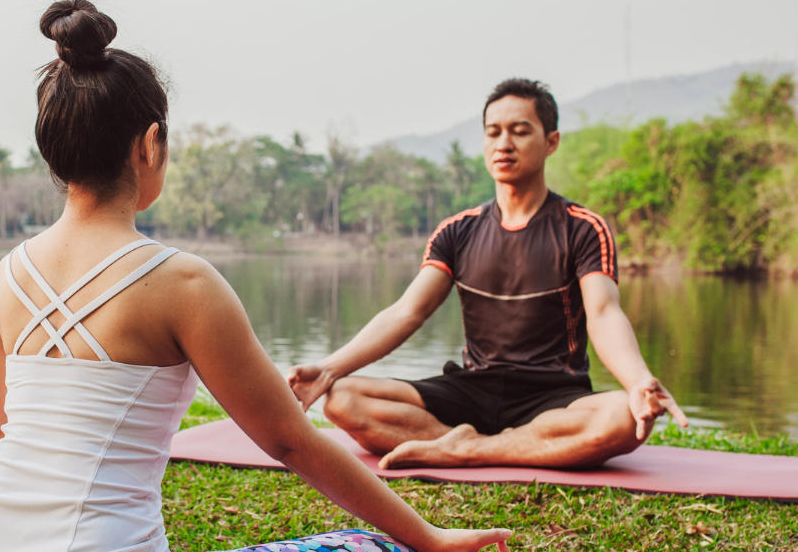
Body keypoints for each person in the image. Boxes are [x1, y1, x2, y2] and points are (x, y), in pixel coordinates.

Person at [0, 0, 541, 552]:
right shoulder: (183, 283)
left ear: (54, 150)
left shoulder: (8, 273)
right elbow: (290, 440)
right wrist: (431, 541)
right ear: (150, 143)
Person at [288, 78, 687, 471]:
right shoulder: (457, 231)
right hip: (471, 390)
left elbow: (603, 313)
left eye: (520, 131)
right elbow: (406, 312)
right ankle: (502, 446)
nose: (504, 144)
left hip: (552, 397)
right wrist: (329, 368)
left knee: (622, 418)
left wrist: (638, 381)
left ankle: (466, 450)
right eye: (493, 132)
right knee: (343, 399)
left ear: (551, 142)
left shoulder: (582, 228)